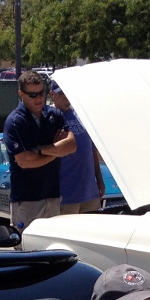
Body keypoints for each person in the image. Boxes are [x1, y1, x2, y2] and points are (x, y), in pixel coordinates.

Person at [2, 69, 75, 229]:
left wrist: (40, 149)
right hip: (26, 200)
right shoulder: (15, 122)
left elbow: (71, 145)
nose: (39, 98)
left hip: (53, 197)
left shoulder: (55, 115)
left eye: (41, 93)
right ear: (21, 94)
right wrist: (56, 151)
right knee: (26, 249)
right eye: (33, 95)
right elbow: (25, 161)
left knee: (53, 250)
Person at [50, 80, 103, 215]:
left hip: (90, 192)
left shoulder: (81, 116)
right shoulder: (51, 118)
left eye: (67, 92)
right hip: (66, 195)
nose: (65, 96)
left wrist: (100, 180)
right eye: (61, 93)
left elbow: (92, 151)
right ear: (52, 94)